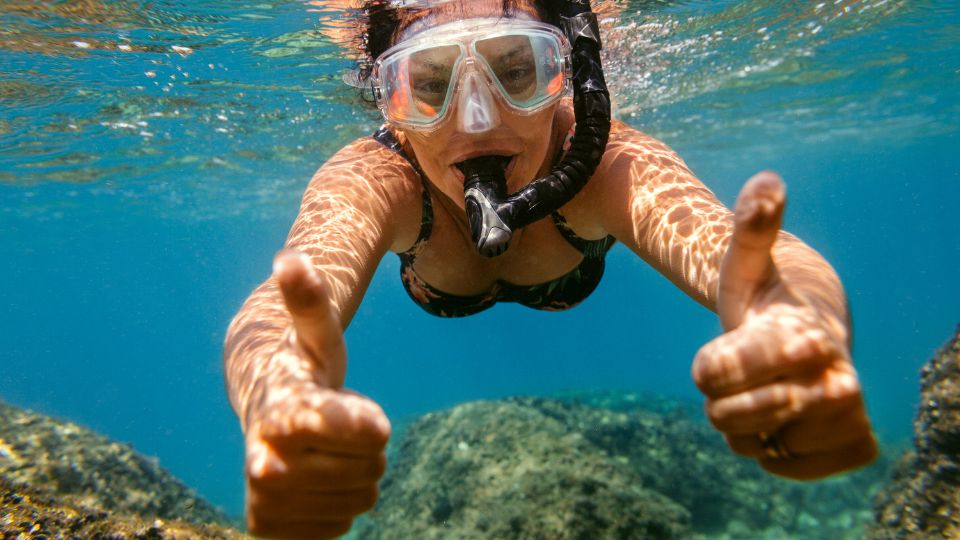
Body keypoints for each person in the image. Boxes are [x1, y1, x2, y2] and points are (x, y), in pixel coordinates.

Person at [223, 0, 877, 537]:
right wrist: (277, 396)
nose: (477, 121)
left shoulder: (606, 163)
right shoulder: (378, 178)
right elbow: (276, 308)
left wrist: (796, 319)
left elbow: (747, 249)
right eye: (428, 84)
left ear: (565, 72)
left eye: (516, 72)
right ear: (387, 96)